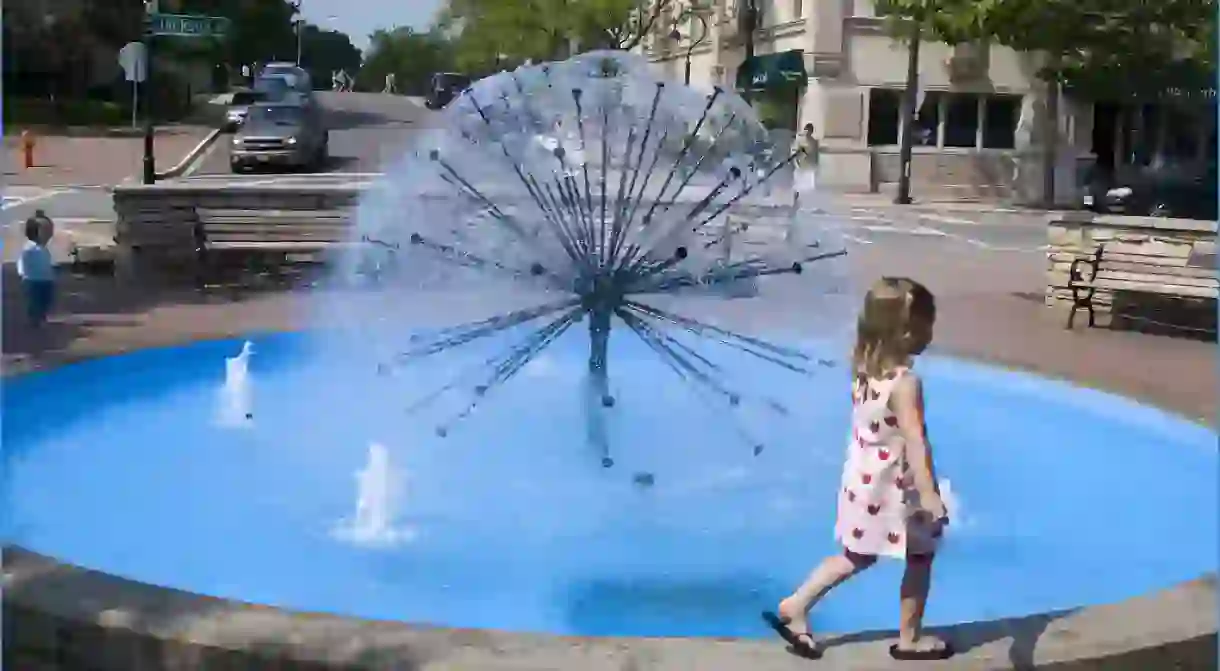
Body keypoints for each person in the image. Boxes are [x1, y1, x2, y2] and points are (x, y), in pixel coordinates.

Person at [762, 277, 954, 662]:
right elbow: (916, 440)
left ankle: (795, 604)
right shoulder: (905, 383)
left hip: (864, 484)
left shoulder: (865, 373)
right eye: (926, 325)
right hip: (898, 488)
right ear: (905, 331)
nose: (931, 334)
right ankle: (910, 639)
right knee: (920, 558)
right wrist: (930, 494)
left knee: (855, 555)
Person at [17, 211, 56, 329]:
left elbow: (47, 263)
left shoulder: (43, 248)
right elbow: (22, 263)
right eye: (46, 232)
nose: (49, 235)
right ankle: (35, 319)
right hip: (33, 280)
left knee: (46, 300)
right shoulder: (29, 248)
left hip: (46, 279)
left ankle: (41, 317)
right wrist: (23, 275)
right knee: (35, 301)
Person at [792, 123, 820, 209]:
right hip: (800, 165)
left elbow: (816, 155)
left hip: (809, 166)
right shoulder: (799, 141)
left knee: (809, 186)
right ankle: (796, 202)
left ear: (811, 132)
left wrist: (816, 166)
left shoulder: (814, 142)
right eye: (806, 130)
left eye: (809, 130)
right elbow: (794, 153)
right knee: (797, 185)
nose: (808, 132)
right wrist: (796, 163)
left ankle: (808, 204)